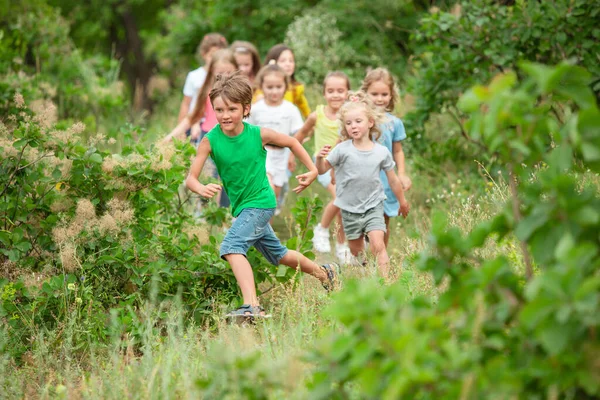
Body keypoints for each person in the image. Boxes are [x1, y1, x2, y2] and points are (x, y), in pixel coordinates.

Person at [185, 71, 339, 318]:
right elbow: (191, 178)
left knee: (232, 246)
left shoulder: (258, 134)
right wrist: (201, 187)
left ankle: (252, 306)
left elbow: (292, 142)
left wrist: (312, 170)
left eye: (232, 109)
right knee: (279, 255)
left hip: (261, 203)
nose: (225, 115)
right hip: (243, 208)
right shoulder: (210, 140)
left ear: (246, 108)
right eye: (219, 110)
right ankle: (325, 273)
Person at [315, 91, 409, 279]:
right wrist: (319, 158)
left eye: (358, 121)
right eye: (348, 123)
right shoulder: (342, 149)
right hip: (349, 209)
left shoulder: (381, 152)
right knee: (357, 251)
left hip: (374, 205)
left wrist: (402, 201)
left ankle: (385, 284)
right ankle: (367, 272)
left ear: (370, 123)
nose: (353, 126)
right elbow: (323, 169)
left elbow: (392, 180)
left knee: (378, 244)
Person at [293, 71, 351, 263]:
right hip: (323, 164)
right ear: (324, 93)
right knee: (340, 198)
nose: (335, 95)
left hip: (347, 165)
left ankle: (342, 245)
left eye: (340, 91)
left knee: (344, 206)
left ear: (348, 92)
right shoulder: (316, 115)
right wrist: (291, 153)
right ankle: (322, 228)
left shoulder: (350, 114)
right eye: (331, 91)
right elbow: (300, 134)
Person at [362, 68, 412, 246]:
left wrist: (403, 173)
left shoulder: (394, 123)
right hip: (363, 178)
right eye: (374, 94)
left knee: (383, 221)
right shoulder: (360, 120)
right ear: (365, 93)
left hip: (386, 179)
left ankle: (380, 258)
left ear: (391, 95)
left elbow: (397, 151)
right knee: (361, 218)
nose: (379, 98)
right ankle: (360, 254)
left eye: (384, 94)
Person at [247, 64, 303, 215]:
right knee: (268, 190)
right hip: (261, 154)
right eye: (269, 87)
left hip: (281, 156)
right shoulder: (256, 108)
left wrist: (292, 156)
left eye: (278, 87)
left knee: (273, 199)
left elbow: (298, 134)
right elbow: (246, 132)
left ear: (285, 87)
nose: (274, 91)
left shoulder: (290, 109)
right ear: (261, 86)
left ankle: (265, 232)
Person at [163, 49, 237, 144]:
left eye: (229, 72)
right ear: (212, 71)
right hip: (209, 136)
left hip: (233, 138)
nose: (225, 76)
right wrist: (171, 136)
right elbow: (193, 116)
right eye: (220, 72)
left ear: (236, 69)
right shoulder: (206, 90)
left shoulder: (241, 92)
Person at [178, 33, 228, 123]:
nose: (214, 60)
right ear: (204, 54)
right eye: (212, 55)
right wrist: (181, 129)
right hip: (196, 122)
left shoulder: (226, 75)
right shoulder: (194, 76)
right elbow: (186, 103)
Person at [253, 44, 311, 118]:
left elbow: (305, 108)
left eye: (291, 61)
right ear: (272, 64)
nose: (288, 64)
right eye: (283, 61)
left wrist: (311, 122)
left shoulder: (296, 89)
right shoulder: (262, 88)